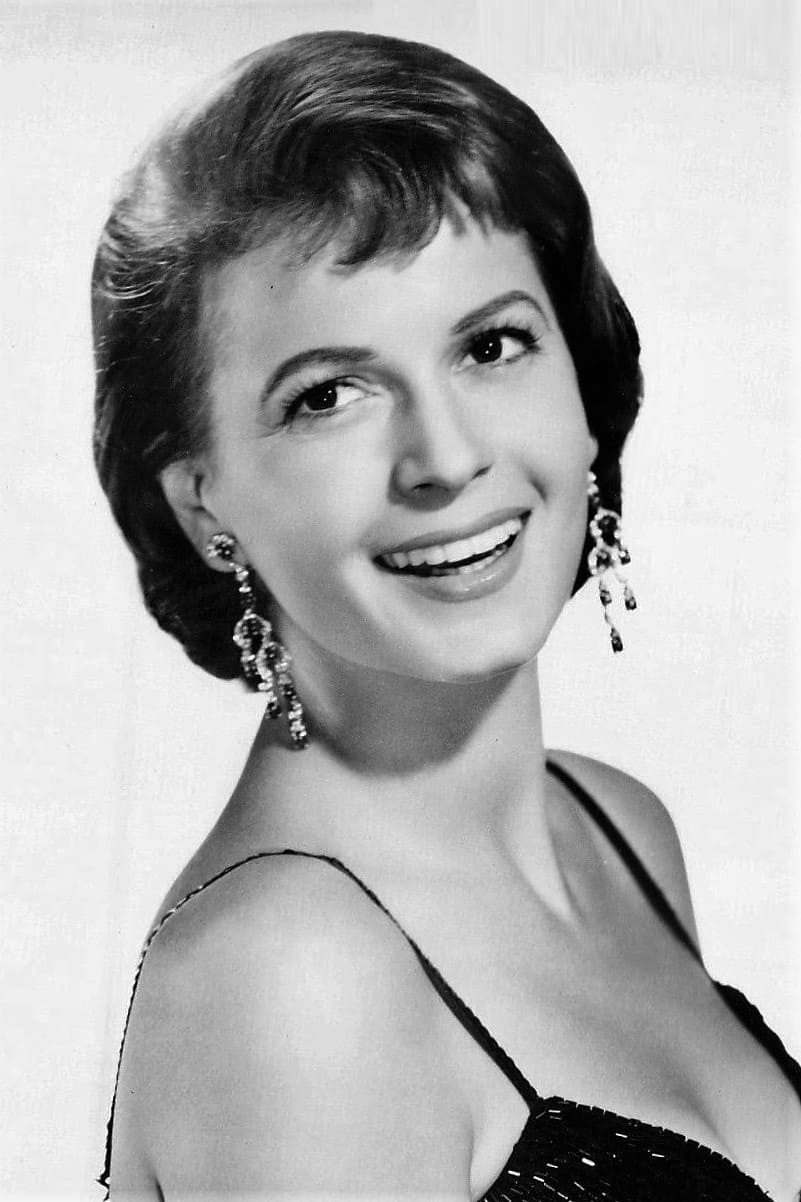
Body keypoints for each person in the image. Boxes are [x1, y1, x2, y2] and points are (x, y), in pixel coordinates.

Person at [92, 30, 800, 1202]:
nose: (446, 455)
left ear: (581, 385)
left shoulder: (617, 830)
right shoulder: (292, 979)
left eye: (490, 344)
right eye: (329, 393)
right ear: (204, 502)